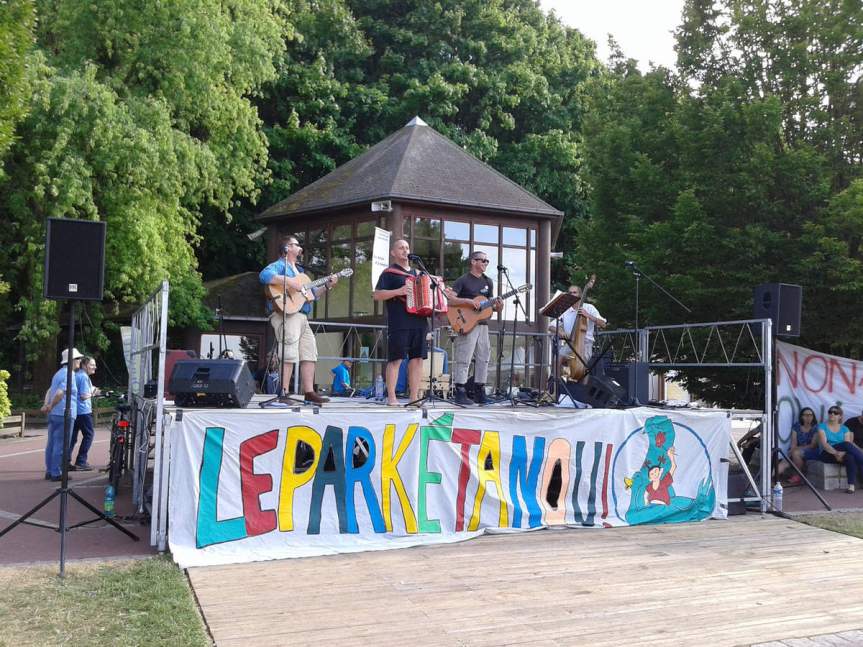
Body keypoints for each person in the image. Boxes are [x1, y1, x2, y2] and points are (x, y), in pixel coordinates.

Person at [260, 235, 337, 405]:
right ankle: (284, 392)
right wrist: (291, 283)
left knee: (309, 352)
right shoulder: (280, 265)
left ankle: (309, 392)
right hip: (286, 314)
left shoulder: (301, 273)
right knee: (288, 352)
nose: (300, 247)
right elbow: (265, 276)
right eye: (296, 244)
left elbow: (311, 295)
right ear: (287, 248)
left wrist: (326, 285)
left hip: (302, 315)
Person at [373, 239, 428, 406]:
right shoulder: (389, 273)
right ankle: (391, 397)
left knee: (417, 359)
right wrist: (399, 291)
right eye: (401, 248)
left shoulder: (419, 274)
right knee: (396, 359)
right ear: (393, 253)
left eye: (407, 247)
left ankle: (413, 397)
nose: (405, 250)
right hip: (399, 321)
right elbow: (376, 295)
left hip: (419, 321)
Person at [444, 251, 502, 405]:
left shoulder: (488, 282)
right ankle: (460, 391)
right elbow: (450, 300)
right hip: (466, 323)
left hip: (482, 324)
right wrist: (469, 303)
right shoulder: (463, 280)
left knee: (484, 357)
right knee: (464, 357)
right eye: (482, 260)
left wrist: (498, 307)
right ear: (473, 262)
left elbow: (489, 305)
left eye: (486, 261)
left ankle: (479, 391)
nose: (485, 263)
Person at [39, 348, 82, 481]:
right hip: (64, 412)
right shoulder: (70, 375)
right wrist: (51, 405)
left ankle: (50, 470)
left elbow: (50, 391)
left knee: (51, 443)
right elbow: (59, 393)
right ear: (72, 361)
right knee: (62, 444)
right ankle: (56, 472)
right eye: (77, 359)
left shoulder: (58, 374)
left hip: (54, 413)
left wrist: (47, 405)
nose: (79, 361)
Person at [550, 285, 606, 377]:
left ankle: (582, 388)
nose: (571, 294)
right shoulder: (566, 310)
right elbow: (551, 326)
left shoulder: (589, 307)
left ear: (580, 295)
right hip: (570, 344)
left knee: (581, 367)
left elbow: (603, 324)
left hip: (585, 343)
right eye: (570, 293)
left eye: (574, 292)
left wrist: (587, 315)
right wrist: (561, 332)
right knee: (557, 359)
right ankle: (557, 385)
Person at [815, 405, 863, 494]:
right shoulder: (822, 426)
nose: (832, 414)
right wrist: (836, 453)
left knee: (850, 457)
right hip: (827, 453)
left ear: (840, 416)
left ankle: (851, 486)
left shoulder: (845, 429)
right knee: (847, 445)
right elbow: (825, 444)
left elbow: (847, 446)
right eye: (830, 412)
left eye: (835, 413)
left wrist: (842, 454)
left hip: (842, 454)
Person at [69, 356, 99, 471]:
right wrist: (93, 393)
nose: (94, 367)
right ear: (84, 365)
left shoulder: (76, 375)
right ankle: (81, 461)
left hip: (75, 410)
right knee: (89, 434)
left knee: (72, 437)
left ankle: (66, 461)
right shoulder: (84, 377)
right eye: (92, 365)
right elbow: (83, 395)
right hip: (83, 411)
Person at [777, 407, 819, 485]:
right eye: (805, 415)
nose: (808, 417)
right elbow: (793, 443)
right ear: (801, 416)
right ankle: (769, 478)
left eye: (810, 415)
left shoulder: (816, 427)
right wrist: (793, 450)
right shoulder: (797, 426)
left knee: (795, 453)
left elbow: (813, 445)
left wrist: (795, 450)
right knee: (785, 462)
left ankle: (799, 475)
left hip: (810, 450)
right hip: (797, 449)